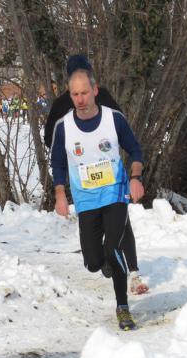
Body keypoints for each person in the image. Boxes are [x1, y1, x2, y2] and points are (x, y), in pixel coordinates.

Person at [51, 67, 145, 330]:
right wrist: (60, 195)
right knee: (93, 262)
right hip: (86, 199)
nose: (80, 99)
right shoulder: (64, 127)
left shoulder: (113, 119)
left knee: (112, 248)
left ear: (95, 91)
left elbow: (135, 150)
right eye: (74, 94)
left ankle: (122, 307)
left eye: (84, 93)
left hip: (115, 193)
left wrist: (135, 178)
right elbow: (57, 163)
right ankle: (104, 262)